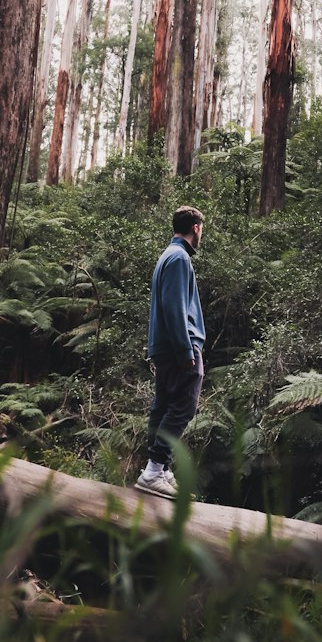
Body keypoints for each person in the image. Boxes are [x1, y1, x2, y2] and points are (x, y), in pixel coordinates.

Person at [134, 206, 206, 498]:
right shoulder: (178, 259)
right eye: (203, 229)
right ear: (196, 228)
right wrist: (185, 349)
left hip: (165, 347)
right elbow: (174, 308)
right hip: (179, 346)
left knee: (163, 406)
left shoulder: (168, 255)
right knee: (183, 407)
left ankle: (159, 470)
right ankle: (153, 471)